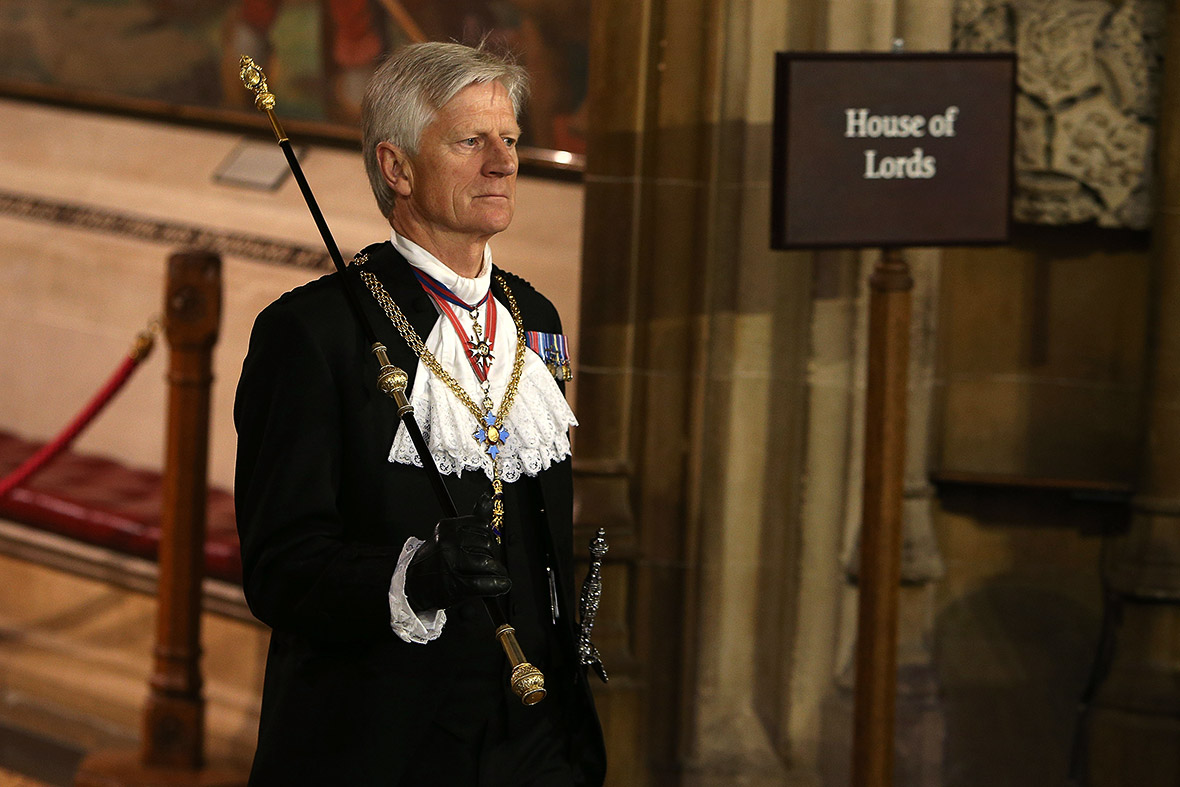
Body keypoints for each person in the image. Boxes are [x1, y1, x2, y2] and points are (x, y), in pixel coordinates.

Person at [233, 41, 606, 786]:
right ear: (397, 168)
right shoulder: (316, 332)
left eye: (510, 139)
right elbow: (280, 569)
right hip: (383, 742)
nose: (502, 162)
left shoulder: (536, 317)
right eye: (470, 141)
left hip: (535, 742)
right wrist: (416, 577)